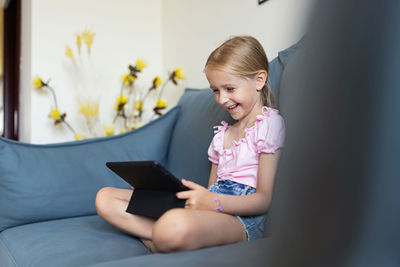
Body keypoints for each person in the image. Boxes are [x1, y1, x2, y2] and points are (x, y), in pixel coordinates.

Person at [95, 35, 285, 253]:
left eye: (230, 89)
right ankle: (164, 238)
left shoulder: (270, 125)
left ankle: (162, 237)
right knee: (106, 198)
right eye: (215, 90)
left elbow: (264, 199)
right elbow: (212, 188)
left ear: (259, 80)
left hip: (244, 219)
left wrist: (214, 202)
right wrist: (156, 192)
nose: (222, 99)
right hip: (212, 209)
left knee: (173, 224)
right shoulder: (222, 135)